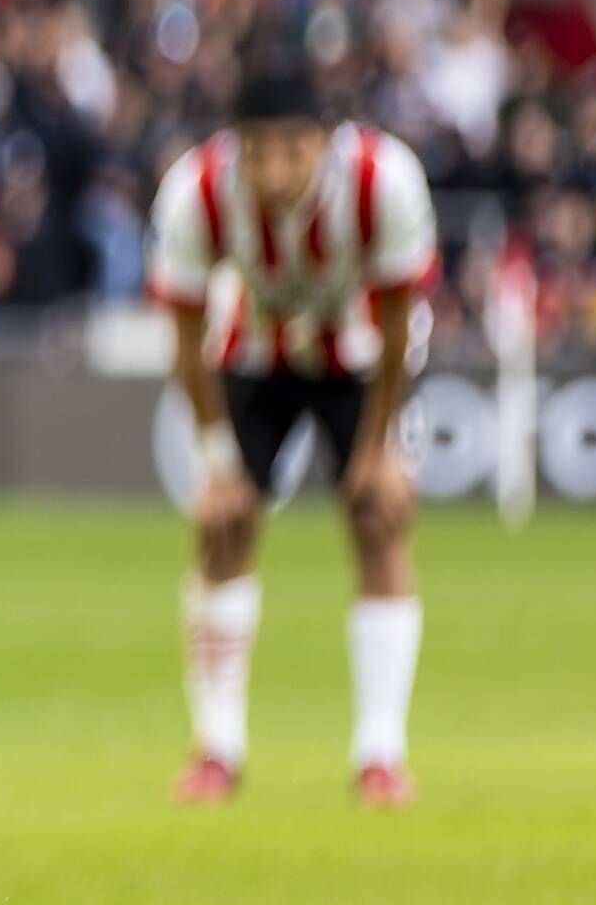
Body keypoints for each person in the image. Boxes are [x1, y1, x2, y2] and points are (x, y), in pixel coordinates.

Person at [147, 64, 439, 807]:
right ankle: (217, 749)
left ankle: (381, 754)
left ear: (327, 143)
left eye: (293, 151)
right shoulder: (196, 193)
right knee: (223, 526)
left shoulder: (386, 182)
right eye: (259, 152)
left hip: (364, 357)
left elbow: (402, 327)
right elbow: (184, 341)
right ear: (234, 147)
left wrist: (379, 451)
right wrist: (217, 464)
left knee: (377, 515)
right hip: (253, 353)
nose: (276, 172)